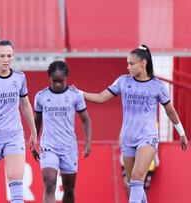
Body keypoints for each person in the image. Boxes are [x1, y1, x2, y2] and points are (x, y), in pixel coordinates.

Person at [80, 44, 188, 203]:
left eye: (131, 63)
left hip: (147, 138)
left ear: (143, 63)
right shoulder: (122, 82)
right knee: (134, 184)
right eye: (127, 63)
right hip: (127, 138)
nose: (128, 67)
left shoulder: (157, 86)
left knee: (138, 178)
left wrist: (182, 133)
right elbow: (100, 98)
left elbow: (170, 111)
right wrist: (79, 93)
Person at [0, 40, 38, 203]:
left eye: (9, 56)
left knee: (16, 180)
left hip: (14, 136)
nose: (5, 59)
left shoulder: (19, 77)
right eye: (2, 56)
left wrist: (34, 131)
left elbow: (25, 104)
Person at [32, 61, 92, 203]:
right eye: (54, 81)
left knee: (69, 189)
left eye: (61, 81)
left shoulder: (75, 96)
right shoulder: (41, 96)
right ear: (49, 78)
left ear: (66, 78)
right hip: (49, 146)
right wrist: (33, 140)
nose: (58, 84)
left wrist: (88, 143)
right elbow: (37, 121)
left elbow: (86, 120)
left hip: (68, 147)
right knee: (49, 183)